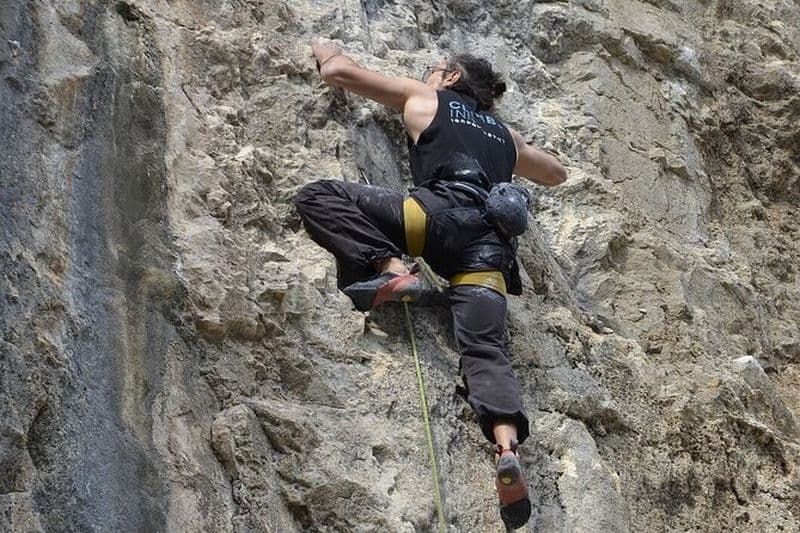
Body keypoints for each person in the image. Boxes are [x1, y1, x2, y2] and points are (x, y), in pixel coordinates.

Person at [294, 37, 566, 529]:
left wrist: (325, 46)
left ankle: (390, 270)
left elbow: (339, 74)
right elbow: (555, 173)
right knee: (485, 349)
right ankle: (505, 445)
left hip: (430, 219)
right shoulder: (505, 135)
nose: (427, 75)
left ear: (451, 79)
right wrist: (509, 140)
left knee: (320, 195)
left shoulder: (426, 99)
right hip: (489, 251)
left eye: (433, 69)